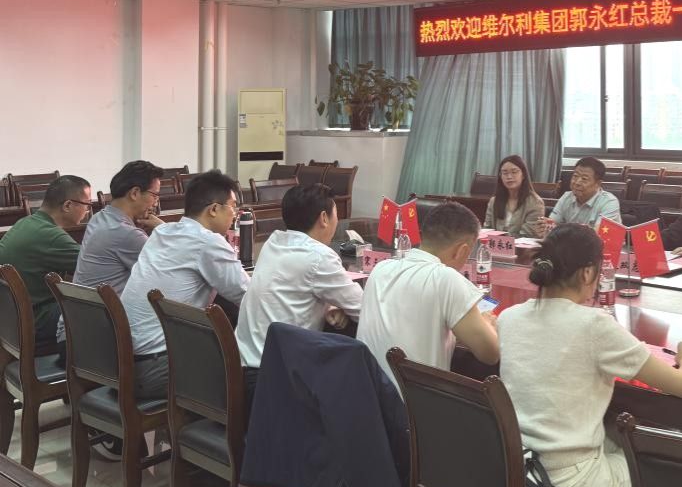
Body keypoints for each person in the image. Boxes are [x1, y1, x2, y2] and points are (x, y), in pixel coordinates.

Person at [498, 224, 682, 487]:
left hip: (518, 475)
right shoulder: (593, 325)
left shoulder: (509, 317)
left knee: (614, 437)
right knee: (666, 461)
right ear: (587, 273)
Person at [119, 170, 250, 401]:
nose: (235, 214)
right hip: (156, 369)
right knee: (253, 370)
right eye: (233, 207)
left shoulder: (162, 232)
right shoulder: (208, 242)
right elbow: (248, 296)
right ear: (214, 209)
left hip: (123, 362)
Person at [236, 183, 364, 395]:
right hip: (277, 380)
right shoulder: (318, 256)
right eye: (336, 215)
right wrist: (338, 305)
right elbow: (363, 309)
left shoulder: (274, 242)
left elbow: (299, 286)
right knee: (355, 379)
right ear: (324, 218)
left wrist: (332, 304)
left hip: (244, 368)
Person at [357, 201, 499, 386]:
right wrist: (487, 323)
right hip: (413, 402)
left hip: (367, 395)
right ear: (461, 250)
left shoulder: (380, 269)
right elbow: (491, 354)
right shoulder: (446, 279)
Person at [0, 175, 91, 355]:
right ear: (67, 205)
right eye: (87, 205)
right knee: (102, 311)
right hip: (34, 319)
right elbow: (94, 267)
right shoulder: (52, 236)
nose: (88, 211)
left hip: (10, 318)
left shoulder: (25, 222)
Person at [73, 160, 164, 294]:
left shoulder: (98, 217)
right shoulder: (128, 234)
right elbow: (168, 272)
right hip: (108, 307)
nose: (156, 203)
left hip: (83, 305)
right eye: (155, 195)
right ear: (135, 193)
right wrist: (163, 229)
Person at [542, 156, 621, 234]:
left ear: (598, 183)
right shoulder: (567, 197)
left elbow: (597, 235)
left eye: (584, 179)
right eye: (575, 176)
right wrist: (545, 227)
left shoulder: (609, 202)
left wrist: (562, 231)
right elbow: (552, 224)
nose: (577, 182)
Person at [483, 155, 545, 238]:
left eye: (514, 172)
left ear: (523, 175)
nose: (509, 177)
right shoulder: (493, 201)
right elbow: (487, 229)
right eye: (505, 173)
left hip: (522, 246)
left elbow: (527, 235)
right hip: (496, 245)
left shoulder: (535, 202)